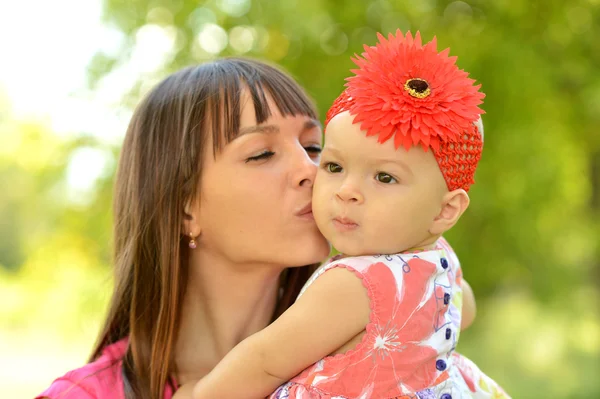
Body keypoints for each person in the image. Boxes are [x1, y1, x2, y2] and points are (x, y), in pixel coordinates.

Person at [187, 31, 511, 399]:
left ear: (446, 209)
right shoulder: (440, 261)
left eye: (384, 177)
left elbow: (264, 361)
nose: (346, 191)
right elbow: (463, 311)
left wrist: (196, 394)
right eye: (335, 166)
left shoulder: (354, 284)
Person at [35, 57, 333, 399]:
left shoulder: (373, 364)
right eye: (262, 153)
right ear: (183, 208)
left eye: (313, 147)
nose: (311, 170)